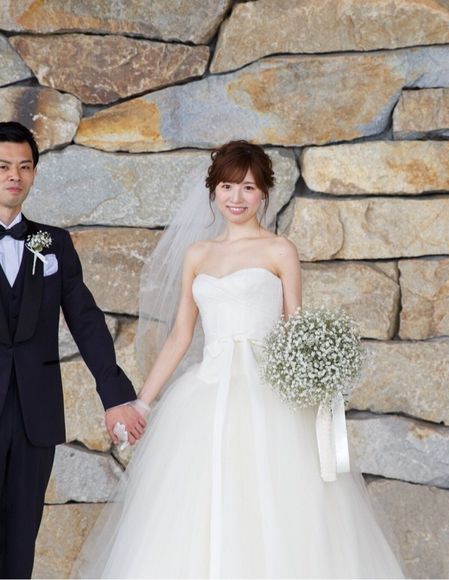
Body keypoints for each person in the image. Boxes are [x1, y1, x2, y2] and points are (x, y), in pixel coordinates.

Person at [75, 141, 404, 578]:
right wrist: (143, 403)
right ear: (214, 191)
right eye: (227, 186)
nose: (236, 197)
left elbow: (295, 327)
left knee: (281, 498)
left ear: (263, 193)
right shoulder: (198, 254)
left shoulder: (279, 250)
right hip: (208, 392)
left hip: (269, 392)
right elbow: (180, 335)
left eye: (248, 187)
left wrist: (319, 378)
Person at [0, 122, 146, 579]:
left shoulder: (52, 243)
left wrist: (115, 396)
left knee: (20, 540)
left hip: (34, 416)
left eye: (24, 166)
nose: (14, 176)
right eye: (3, 166)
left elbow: (85, 319)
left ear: (34, 173)